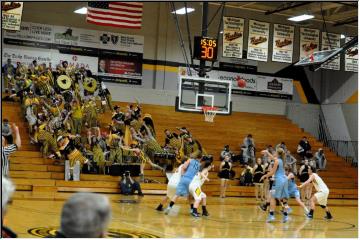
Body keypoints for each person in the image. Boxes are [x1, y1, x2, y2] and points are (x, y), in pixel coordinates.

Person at [164, 151, 202, 217]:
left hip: (184, 178)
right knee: (190, 196)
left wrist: (183, 175)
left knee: (177, 195)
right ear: (199, 158)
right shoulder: (199, 165)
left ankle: (169, 207)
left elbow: (183, 167)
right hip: (191, 181)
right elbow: (196, 173)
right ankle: (192, 210)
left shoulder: (190, 160)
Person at [260, 148, 289, 223]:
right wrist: (267, 152)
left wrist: (264, 176)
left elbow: (272, 172)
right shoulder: (281, 160)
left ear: (277, 154)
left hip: (278, 180)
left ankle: (271, 216)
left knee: (273, 198)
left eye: (275, 152)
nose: (274, 153)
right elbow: (273, 158)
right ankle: (285, 216)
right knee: (283, 199)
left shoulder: (276, 161)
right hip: (284, 180)